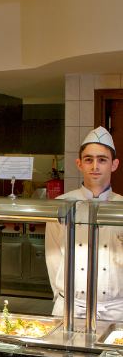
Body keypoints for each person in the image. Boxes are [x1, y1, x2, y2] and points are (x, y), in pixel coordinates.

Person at [45, 126, 123, 321]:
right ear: (79, 164)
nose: (95, 166)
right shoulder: (61, 205)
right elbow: (53, 257)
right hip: (70, 307)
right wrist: (60, 297)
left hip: (117, 310)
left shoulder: (121, 206)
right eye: (89, 159)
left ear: (114, 164)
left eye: (102, 160)